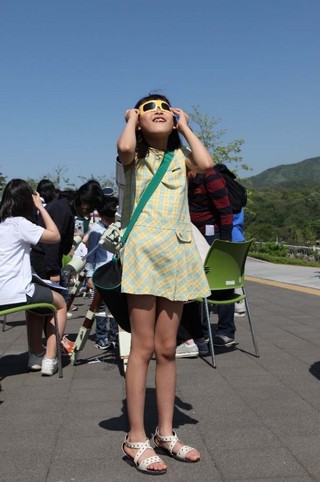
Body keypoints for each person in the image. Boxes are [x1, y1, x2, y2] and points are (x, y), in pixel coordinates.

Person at [117, 93, 212, 474]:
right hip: (143, 255)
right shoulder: (133, 157)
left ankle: (166, 433)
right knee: (141, 348)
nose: (157, 111)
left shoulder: (179, 157)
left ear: (173, 120)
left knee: (168, 348)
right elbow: (124, 145)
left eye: (164, 108)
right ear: (138, 122)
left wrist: (185, 125)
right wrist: (128, 119)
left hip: (177, 255)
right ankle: (136, 436)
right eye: (148, 108)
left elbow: (206, 164)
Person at [0, 179, 67, 376]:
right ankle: (50, 358)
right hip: (16, 292)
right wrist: (40, 207)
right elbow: (55, 236)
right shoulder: (19, 224)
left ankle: (35, 355)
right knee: (60, 303)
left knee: (36, 308)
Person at [188, 167, 237, 347]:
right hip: (195, 235)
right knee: (199, 284)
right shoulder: (187, 182)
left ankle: (226, 331)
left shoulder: (210, 177)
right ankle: (202, 330)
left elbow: (225, 211)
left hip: (214, 235)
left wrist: (224, 243)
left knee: (220, 284)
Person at [86, 196, 119, 349]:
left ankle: (114, 334)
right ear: (104, 216)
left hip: (115, 272)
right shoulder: (95, 231)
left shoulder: (117, 227)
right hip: (100, 273)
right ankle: (101, 336)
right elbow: (90, 255)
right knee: (99, 307)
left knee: (115, 307)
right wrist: (89, 275)